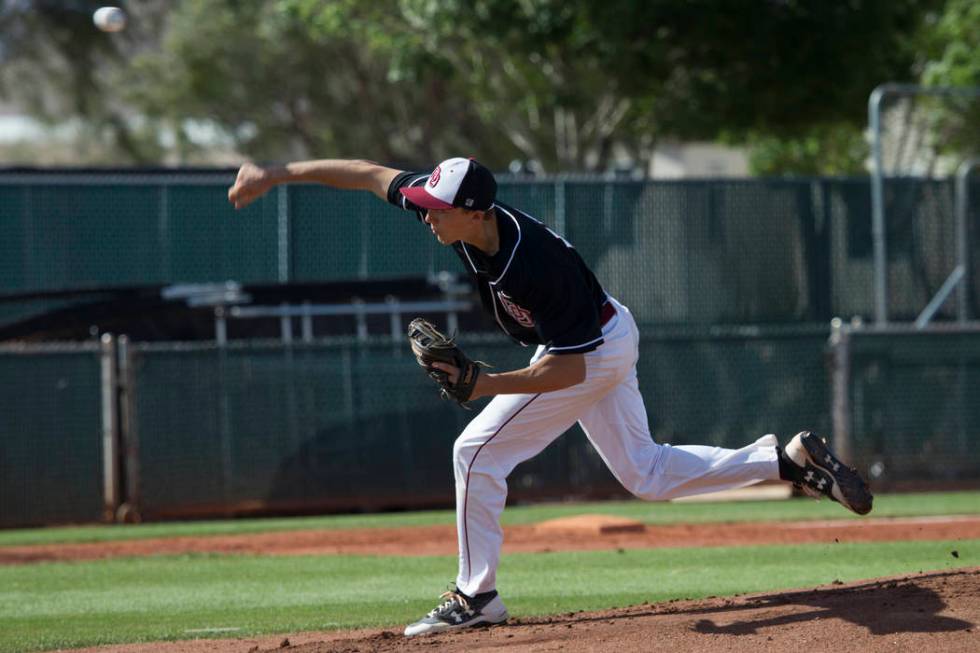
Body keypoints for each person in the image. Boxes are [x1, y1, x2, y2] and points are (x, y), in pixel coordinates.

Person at [228, 157, 873, 637]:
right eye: (424, 201)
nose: (425, 212)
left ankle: (475, 598)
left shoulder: (534, 266)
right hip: (601, 335)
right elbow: (370, 174)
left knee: (474, 452)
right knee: (645, 474)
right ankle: (784, 463)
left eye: (436, 206)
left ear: (474, 212)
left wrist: (485, 384)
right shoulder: (468, 220)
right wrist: (274, 174)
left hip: (588, 350)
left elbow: (570, 372)